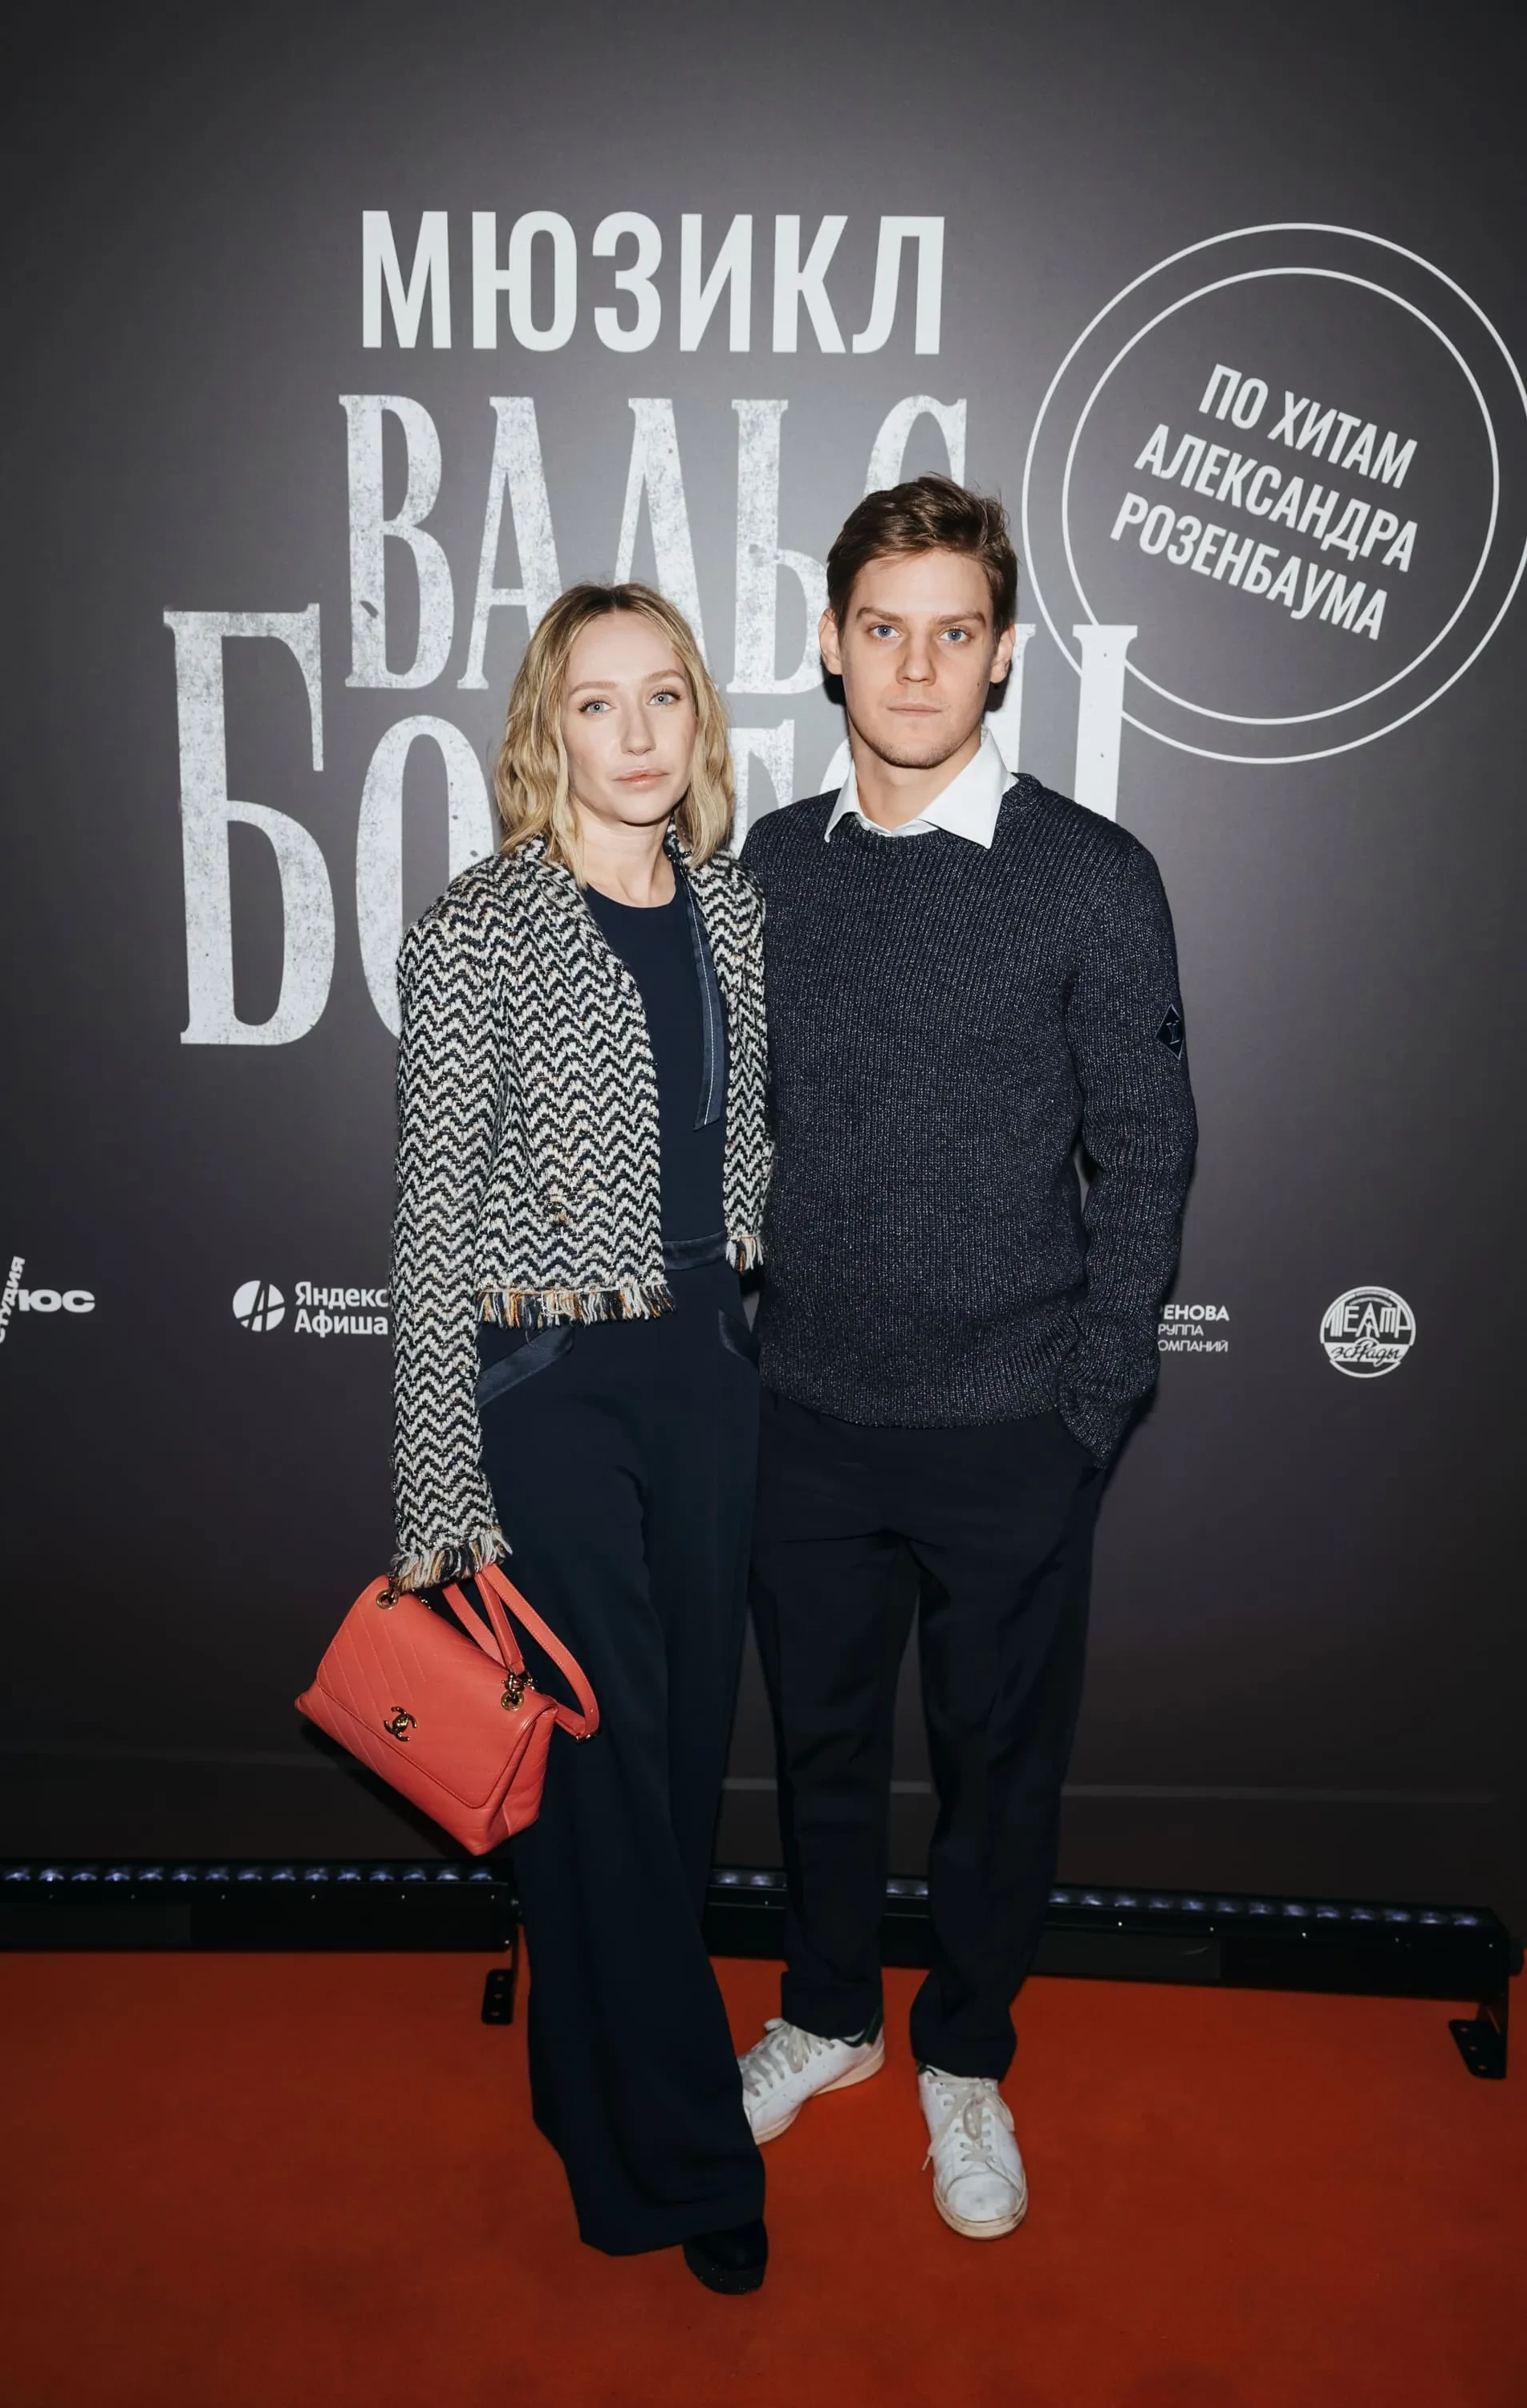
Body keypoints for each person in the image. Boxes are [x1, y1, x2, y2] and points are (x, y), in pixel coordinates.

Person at [737, 475, 1197, 2239]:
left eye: (952, 632)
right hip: (806, 1415)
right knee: (822, 1751)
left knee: (1000, 1775)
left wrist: (1087, 1407)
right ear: (831, 643)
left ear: (1003, 654)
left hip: (1013, 1424)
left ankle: (966, 2058)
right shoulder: (769, 870)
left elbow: (1146, 1152)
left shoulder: (1091, 877)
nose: (916, 665)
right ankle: (828, 2015)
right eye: (883, 628)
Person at [390, 582, 772, 2292]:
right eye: (597, 703)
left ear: (700, 719)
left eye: (664, 696)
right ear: (549, 730)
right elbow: (431, 1215)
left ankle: (583, 2084)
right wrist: (438, 1477)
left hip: (709, 1373)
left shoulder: (733, 912)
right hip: (550, 1385)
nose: (636, 733)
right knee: (604, 1764)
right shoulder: (479, 926)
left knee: (672, 1769)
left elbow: (745, 1151)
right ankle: (685, 2166)